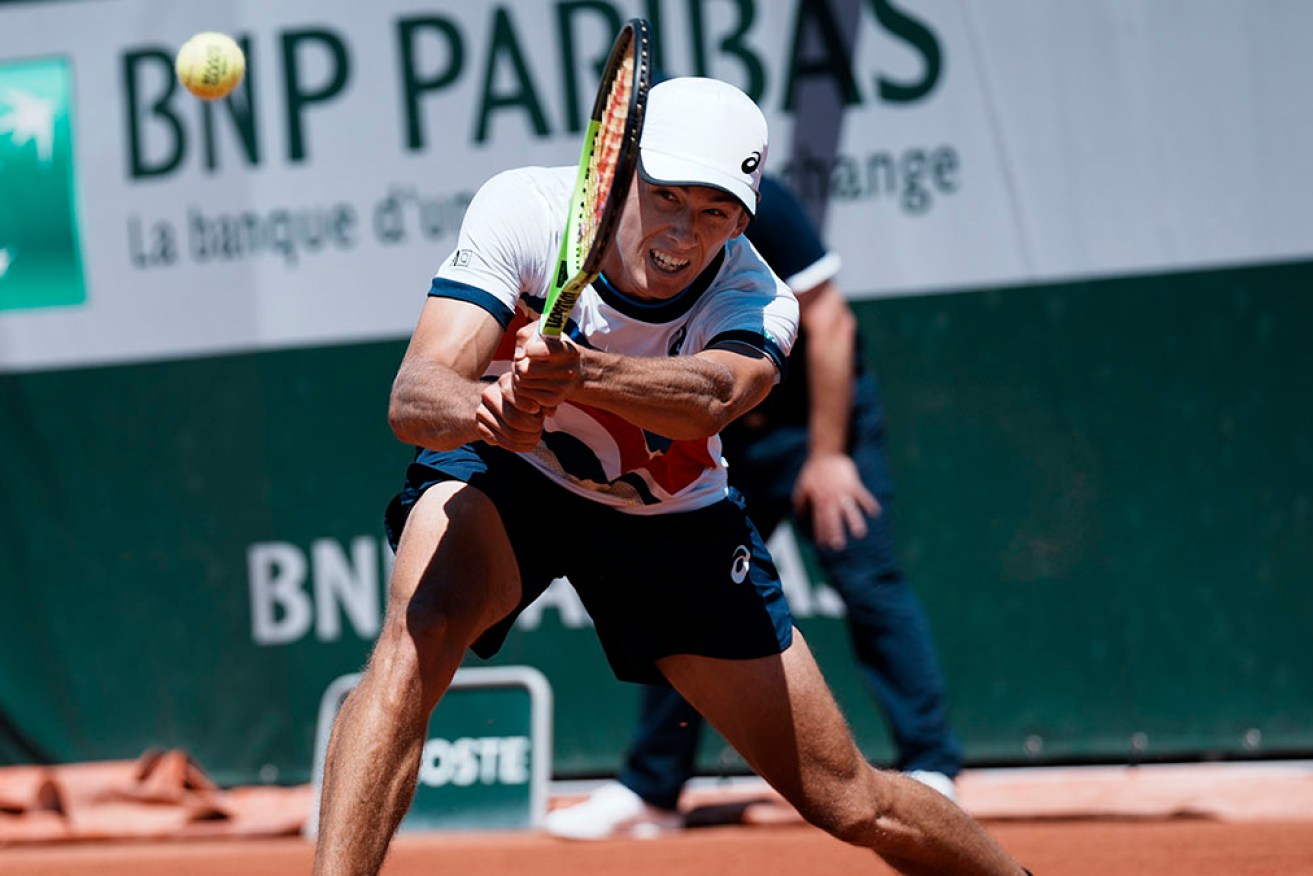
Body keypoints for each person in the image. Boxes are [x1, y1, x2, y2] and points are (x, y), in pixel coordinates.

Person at [312, 76, 1029, 876]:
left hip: (666, 517)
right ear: (620, 171)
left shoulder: (758, 297)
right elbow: (415, 395)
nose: (683, 232)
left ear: (745, 220)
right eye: (667, 197)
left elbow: (711, 397)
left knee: (847, 798)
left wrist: (578, 373)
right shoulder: (526, 210)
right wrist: (486, 408)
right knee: (421, 627)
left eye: (715, 212)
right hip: (509, 474)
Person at [543, 176, 964, 841]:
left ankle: (930, 772)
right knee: (685, 593)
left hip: (813, 425)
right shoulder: (623, 210)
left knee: (865, 578)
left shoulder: (761, 201)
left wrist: (826, 456)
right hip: (720, 423)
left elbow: (830, 320)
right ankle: (650, 794)